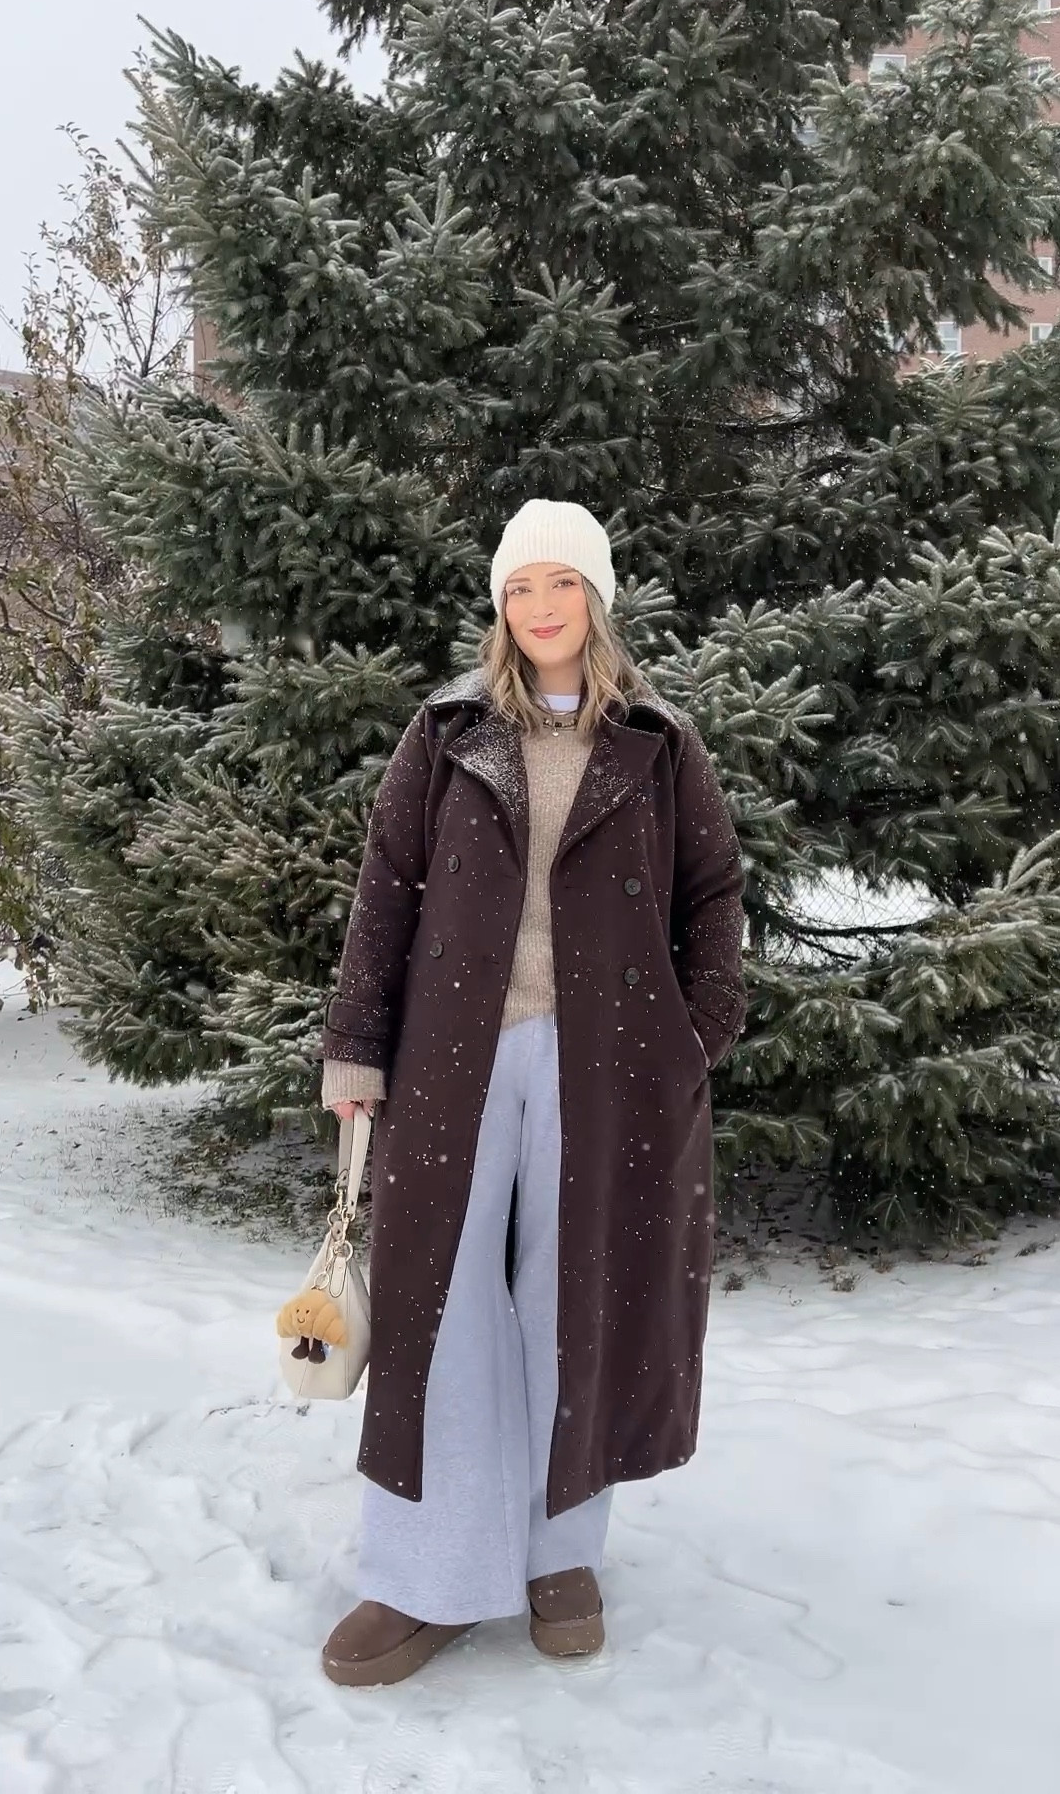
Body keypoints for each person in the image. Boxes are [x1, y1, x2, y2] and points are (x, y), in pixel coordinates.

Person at [317, 498, 747, 1688]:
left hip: (607, 1065)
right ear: (500, 607)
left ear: (595, 599)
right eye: (520, 589)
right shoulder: (447, 729)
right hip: (452, 1055)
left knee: (583, 1298)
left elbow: (712, 895)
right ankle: (429, 1574)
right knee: (436, 1304)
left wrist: (692, 1036)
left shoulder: (658, 742)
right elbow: (386, 890)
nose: (542, 608)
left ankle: (562, 1555)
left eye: (562, 585)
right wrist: (356, 1047)